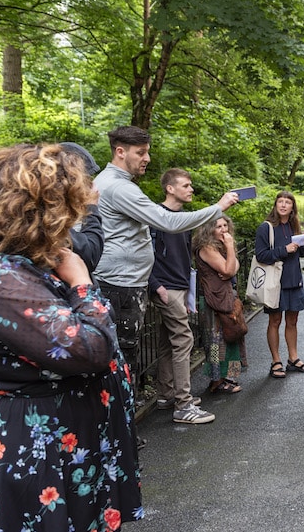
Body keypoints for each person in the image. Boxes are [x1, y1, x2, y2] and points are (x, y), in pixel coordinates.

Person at [0, 144, 143, 530]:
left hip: (69, 443)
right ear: (41, 207)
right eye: (70, 204)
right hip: (41, 449)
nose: (75, 217)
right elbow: (91, 348)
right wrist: (81, 283)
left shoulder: (25, 265)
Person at [92, 126, 238, 414]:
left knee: (137, 353)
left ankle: (150, 408)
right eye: (141, 152)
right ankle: (181, 404)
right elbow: (166, 223)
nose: (147, 158)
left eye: (147, 151)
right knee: (129, 357)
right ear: (120, 152)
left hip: (134, 283)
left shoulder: (114, 184)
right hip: (123, 285)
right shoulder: (118, 187)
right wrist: (218, 207)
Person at [148, 168, 215, 424]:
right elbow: (147, 254)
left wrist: (188, 289)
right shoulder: (155, 216)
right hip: (164, 287)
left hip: (179, 286)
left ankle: (167, 394)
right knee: (184, 338)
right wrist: (156, 285)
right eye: (186, 185)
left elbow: (185, 256)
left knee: (167, 340)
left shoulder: (184, 218)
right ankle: (184, 405)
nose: (191, 189)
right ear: (170, 188)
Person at [255, 191, 304, 379]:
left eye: (287, 202)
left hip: (294, 280)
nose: (283, 205)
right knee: (275, 321)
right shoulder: (266, 228)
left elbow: (300, 254)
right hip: (275, 283)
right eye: (280, 201)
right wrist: (284, 250)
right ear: (275, 205)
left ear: (292, 207)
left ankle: (293, 358)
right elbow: (261, 255)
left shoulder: (294, 226)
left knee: (292, 321)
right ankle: (276, 360)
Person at [194, 216, 244, 394]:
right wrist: (230, 250)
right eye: (218, 227)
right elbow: (229, 269)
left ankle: (230, 375)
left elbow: (234, 266)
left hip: (227, 298)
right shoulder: (207, 248)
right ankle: (217, 379)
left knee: (232, 336)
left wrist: (230, 263)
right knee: (215, 342)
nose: (223, 229)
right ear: (209, 230)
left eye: (225, 225)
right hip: (213, 302)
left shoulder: (222, 246)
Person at [60, 141, 104, 272]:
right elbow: (89, 256)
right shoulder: (46, 218)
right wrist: (91, 207)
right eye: (84, 180)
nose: (88, 186)